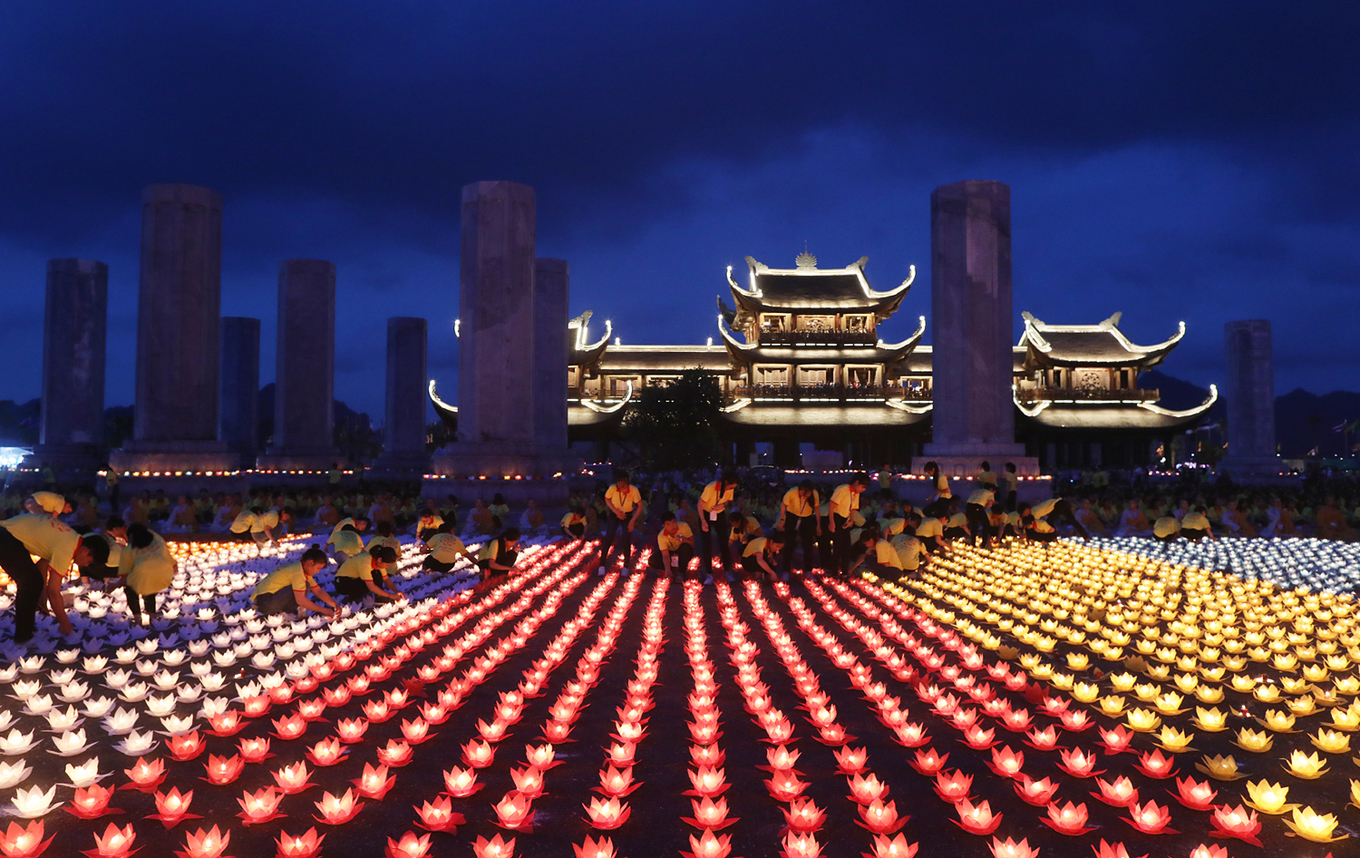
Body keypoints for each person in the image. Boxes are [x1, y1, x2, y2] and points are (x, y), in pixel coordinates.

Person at [0, 513, 100, 642]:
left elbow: (42, 567)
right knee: (30, 582)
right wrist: (65, 624)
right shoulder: (67, 548)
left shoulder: (70, 538)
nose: (86, 565)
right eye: (88, 561)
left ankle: (26, 629)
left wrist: (41, 601)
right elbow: (53, 590)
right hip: (7, 538)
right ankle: (23, 637)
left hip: (6, 534)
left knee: (33, 581)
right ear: (85, 551)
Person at [115, 523, 176, 624]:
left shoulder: (128, 550)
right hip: (160, 575)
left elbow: (125, 574)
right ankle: (152, 615)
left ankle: (137, 617)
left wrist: (115, 585)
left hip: (141, 575)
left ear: (131, 537)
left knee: (131, 588)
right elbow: (172, 563)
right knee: (149, 588)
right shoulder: (158, 543)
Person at [250, 547, 338, 617]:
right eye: (318, 568)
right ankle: (284, 612)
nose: (318, 572)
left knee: (306, 585)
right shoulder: (298, 572)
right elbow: (301, 601)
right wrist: (323, 610)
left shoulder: (300, 568)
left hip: (264, 600)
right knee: (304, 586)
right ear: (311, 563)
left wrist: (335, 605)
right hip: (266, 602)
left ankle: (284, 611)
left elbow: (318, 591)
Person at [598, 470, 643, 575]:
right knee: (609, 537)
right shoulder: (613, 488)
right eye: (618, 483)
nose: (620, 485)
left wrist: (632, 521)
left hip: (627, 515)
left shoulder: (633, 490)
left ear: (627, 482)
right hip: (615, 514)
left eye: (622, 483)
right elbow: (607, 498)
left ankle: (626, 566)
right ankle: (602, 565)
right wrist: (615, 511)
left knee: (626, 538)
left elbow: (640, 506)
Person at [697, 469, 739, 581]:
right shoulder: (710, 488)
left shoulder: (729, 489)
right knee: (707, 543)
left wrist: (723, 506)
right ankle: (708, 573)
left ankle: (728, 570)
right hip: (705, 514)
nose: (732, 489)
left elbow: (727, 501)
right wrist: (703, 521)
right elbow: (699, 505)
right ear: (726, 483)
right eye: (731, 487)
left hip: (719, 514)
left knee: (724, 541)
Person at [828, 472, 870, 574]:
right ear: (856, 482)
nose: (863, 490)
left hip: (845, 520)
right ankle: (834, 571)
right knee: (838, 547)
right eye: (862, 487)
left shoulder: (856, 493)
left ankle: (844, 571)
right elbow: (832, 505)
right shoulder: (843, 489)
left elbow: (853, 509)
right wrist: (831, 522)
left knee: (846, 547)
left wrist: (851, 520)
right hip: (837, 518)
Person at [776, 480, 820, 576]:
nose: (805, 495)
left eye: (808, 493)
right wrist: (782, 520)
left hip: (807, 518)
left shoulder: (815, 494)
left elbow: (817, 508)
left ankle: (808, 570)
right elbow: (783, 505)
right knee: (789, 544)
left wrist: (818, 525)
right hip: (792, 516)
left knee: (808, 545)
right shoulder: (792, 492)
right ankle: (786, 571)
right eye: (803, 492)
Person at [335, 545, 403, 603]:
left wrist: (397, 591)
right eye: (387, 565)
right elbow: (371, 587)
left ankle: (379, 597)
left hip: (354, 578)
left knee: (377, 574)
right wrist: (390, 595)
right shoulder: (365, 562)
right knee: (371, 579)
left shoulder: (377, 560)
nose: (387, 567)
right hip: (342, 583)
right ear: (380, 560)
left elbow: (386, 579)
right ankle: (351, 598)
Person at [651, 511, 695, 577]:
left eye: (674, 522)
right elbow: (665, 555)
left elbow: (692, 543)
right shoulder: (661, 536)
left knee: (685, 547)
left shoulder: (684, 526)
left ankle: (681, 571)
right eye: (668, 524)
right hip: (671, 553)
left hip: (682, 551)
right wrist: (667, 569)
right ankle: (673, 570)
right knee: (653, 560)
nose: (672, 526)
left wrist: (683, 539)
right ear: (664, 526)